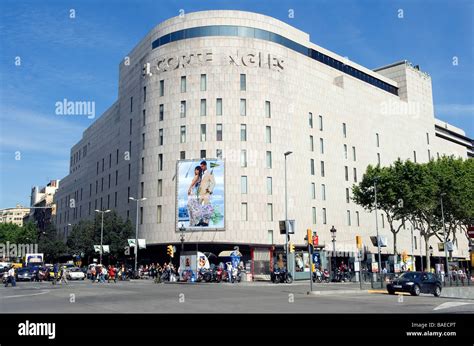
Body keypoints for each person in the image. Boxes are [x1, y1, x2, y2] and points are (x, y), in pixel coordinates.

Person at [197, 161, 216, 226]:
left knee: (206, 207)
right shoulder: (201, 174)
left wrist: (209, 190)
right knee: (198, 206)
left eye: (202, 166)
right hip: (200, 193)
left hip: (206, 193)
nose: (201, 167)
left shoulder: (210, 172)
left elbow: (213, 183)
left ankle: (206, 222)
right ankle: (200, 220)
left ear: (205, 165)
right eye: (201, 166)